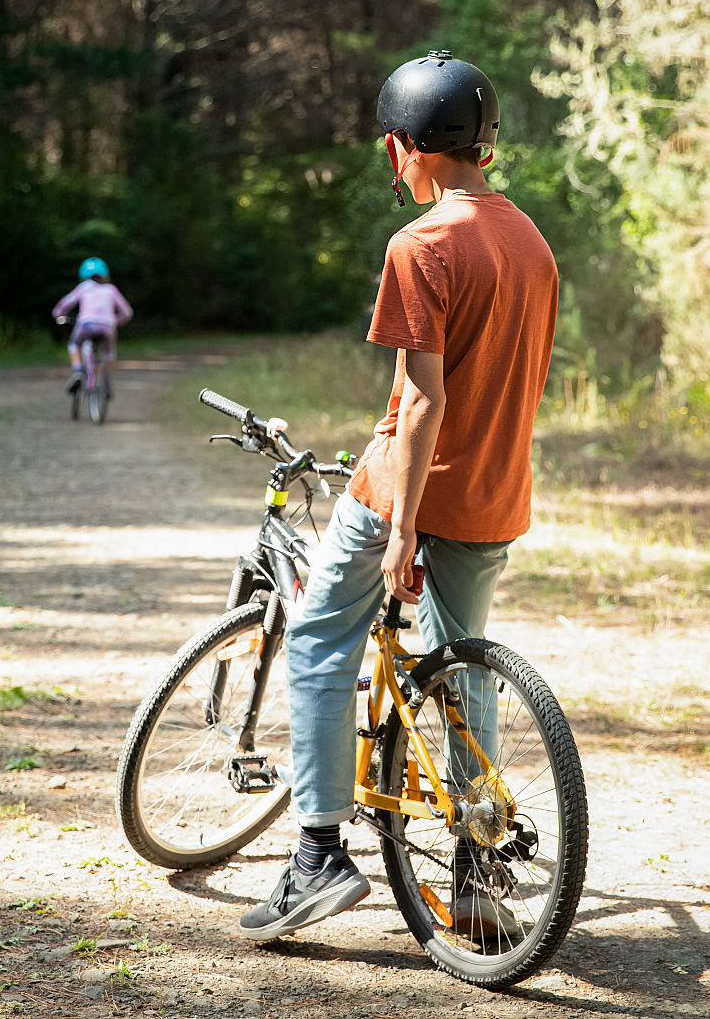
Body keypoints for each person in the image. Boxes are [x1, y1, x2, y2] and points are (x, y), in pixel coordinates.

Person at [239, 51, 559, 943]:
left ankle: (316, 859)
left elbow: (422, 399)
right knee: (464, 676)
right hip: (496, 497)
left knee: (316, 635)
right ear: (485, 147)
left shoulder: (420, 246)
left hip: (406, 491)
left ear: (404, 147)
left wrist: (400, 527)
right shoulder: (531, 241)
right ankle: (477, 877)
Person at [51, 257, 133, 395]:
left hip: (86, 324)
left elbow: (63, 305)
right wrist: (116, 321)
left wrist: (59, 316)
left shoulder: (84, 288)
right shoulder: (111, 290)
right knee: (110, 353)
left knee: (74, 345)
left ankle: (77, 371)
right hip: (108, 326)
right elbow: (127, 312)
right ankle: (107, 383)